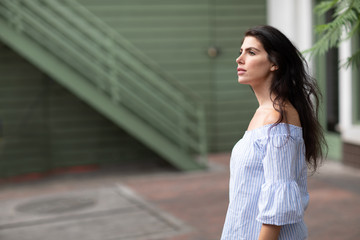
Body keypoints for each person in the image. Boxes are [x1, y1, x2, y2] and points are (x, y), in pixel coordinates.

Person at [220, 25, 327, 240]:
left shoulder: (277, 118)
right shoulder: (265, 113)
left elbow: (278, 207)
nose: (239, 59)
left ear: (274, 63)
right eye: (241, 51)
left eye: (251, 52)